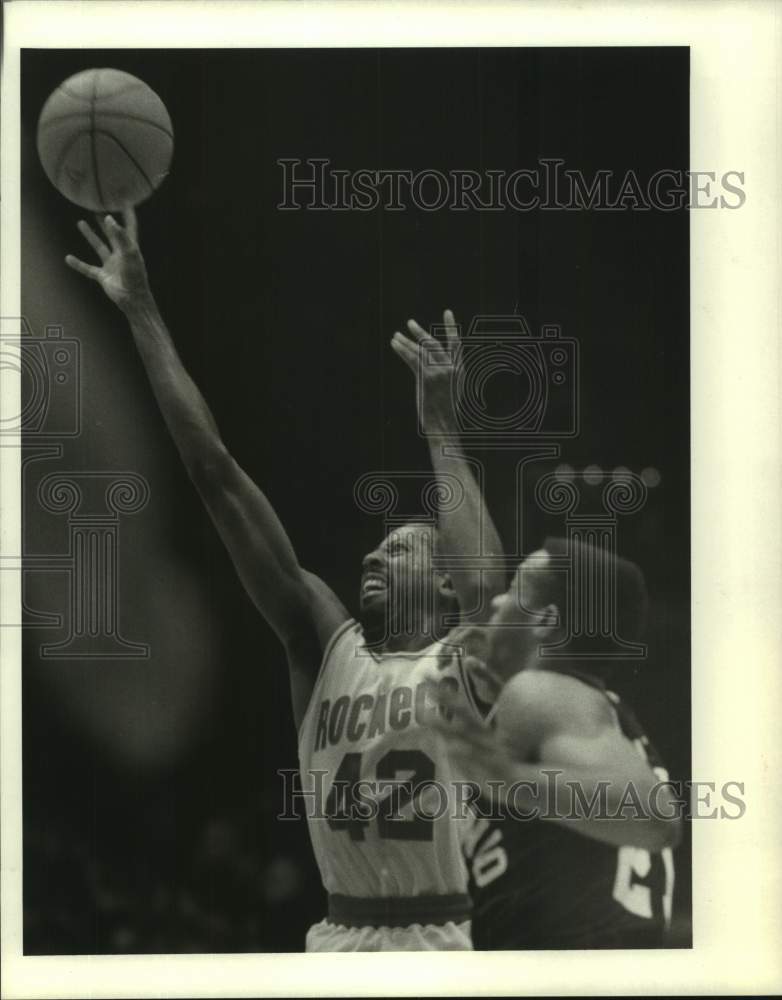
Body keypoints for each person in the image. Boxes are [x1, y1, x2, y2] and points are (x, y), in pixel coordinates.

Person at [65, 208, 505, 951]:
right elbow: (216, 474)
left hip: (439, 942)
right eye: (375, 549)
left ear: (441, 588)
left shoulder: (463, 666)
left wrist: (439, 429)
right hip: (337, 936)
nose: (371, 558)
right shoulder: (323, 645)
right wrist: (140, 308)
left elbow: (488, 589)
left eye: (398, 551)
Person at [435, 541, 681, 949]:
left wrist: (506, 776)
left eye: (515, 589)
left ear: (545, 621)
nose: (498, 600)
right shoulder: (581, 706)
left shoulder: (539, 694)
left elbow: (658, 819)